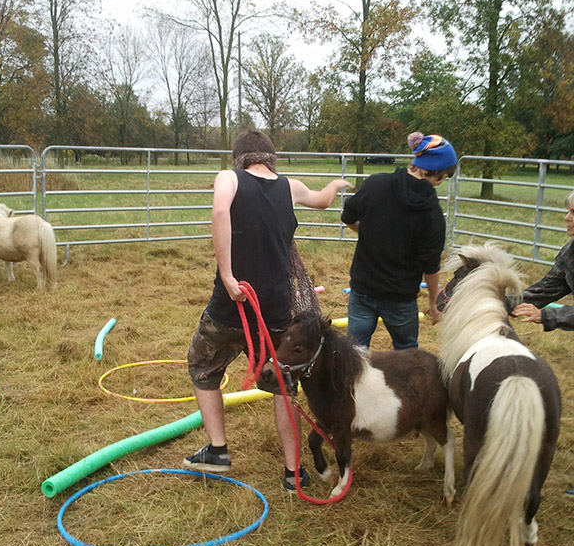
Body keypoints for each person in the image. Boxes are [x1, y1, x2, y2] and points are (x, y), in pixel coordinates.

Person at [182, 129, 352, 491]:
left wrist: (228, 275)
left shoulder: (228, 178)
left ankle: (218, 450)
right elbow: (321, 201)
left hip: (229, 307)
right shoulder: (289, 186)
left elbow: (219, 210)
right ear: (271, 158)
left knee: (202, 364)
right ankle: (293, 473)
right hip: (275, 312)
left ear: (239, 158)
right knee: (282, 387)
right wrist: (335, 185)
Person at [340, 131, 457, 350]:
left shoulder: (376, 184)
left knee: (354, 355)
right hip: (401, 299)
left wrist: (365, 232)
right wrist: (434, 302)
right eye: (445, 176)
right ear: (439, 174)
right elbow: (430, 266)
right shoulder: (432, 215)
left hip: (363, 290)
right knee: (407, 354)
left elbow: (348, 215)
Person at [510, 189, 574, 331]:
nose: (567, 217)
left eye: (573, 212)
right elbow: (545, 290)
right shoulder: (569, 253)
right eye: (568, 211)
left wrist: (546, 315)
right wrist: (499, 303)